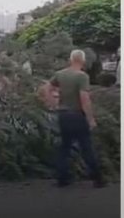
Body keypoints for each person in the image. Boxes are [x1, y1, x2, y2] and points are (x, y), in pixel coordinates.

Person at [39, 49, 106, 188]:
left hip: (63, 115)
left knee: (64, 147)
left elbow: (46, 89)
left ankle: (62, 179)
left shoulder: (60, 74)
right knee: (86, 147)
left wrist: (53, 103)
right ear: (82, 61)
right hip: (77, 115)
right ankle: (98, 179)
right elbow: (84, 98)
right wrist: (90, 118)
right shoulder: (82, 76)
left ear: (70, 60)